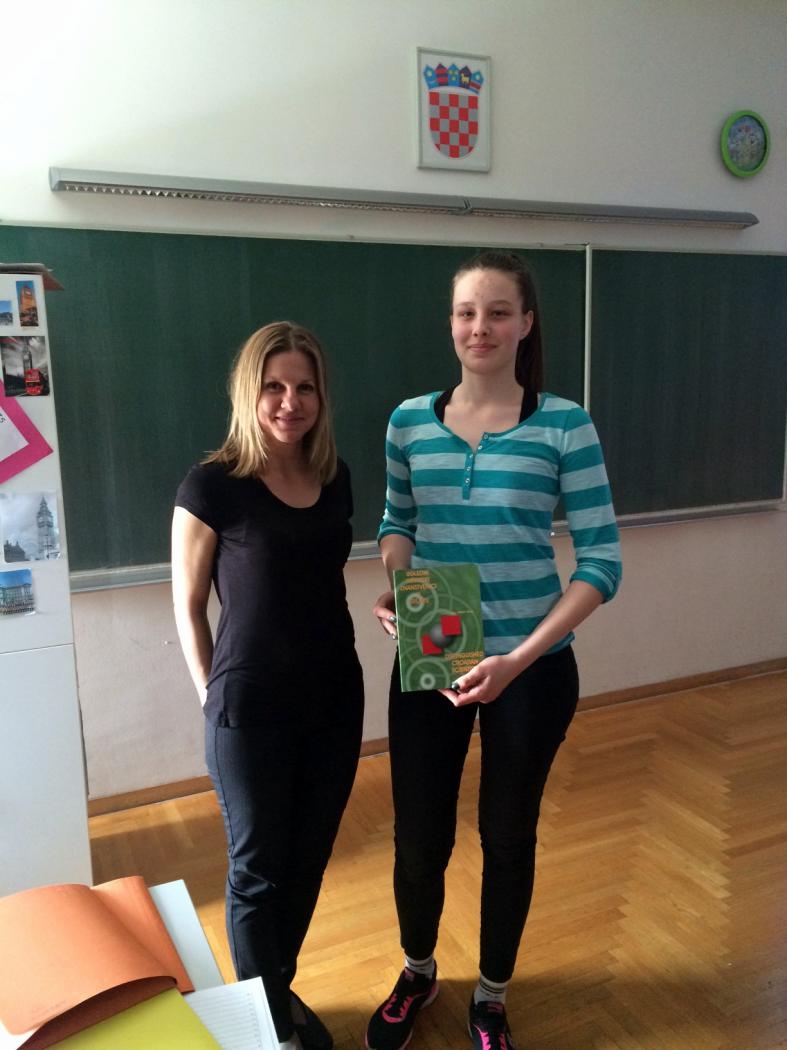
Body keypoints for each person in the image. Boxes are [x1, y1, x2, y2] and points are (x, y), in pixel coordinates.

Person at [365, 251, 622, 1050]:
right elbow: (396, 522)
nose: (479, 327)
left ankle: (491, 997)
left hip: (530, 667)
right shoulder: (409, 421)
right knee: (419, 837)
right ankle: (416, 972)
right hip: (436, 641)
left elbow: (600, 563)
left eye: (497, 312)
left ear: (525, 324)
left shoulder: (564, 424)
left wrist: (519, 659)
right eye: (466, 312)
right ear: (451, 323)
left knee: (507, 837)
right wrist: (403, 587)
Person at [171, 322, 364, 1050]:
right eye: (274, 386)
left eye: (304, 387)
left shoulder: (335, 476)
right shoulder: (211, 485)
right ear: (248, 393)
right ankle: (269, 1031)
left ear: (321, 396)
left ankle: (272, 995)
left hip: (335, 701)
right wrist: (210, 696)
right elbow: (188, 606)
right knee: (257, 874)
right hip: (248, 711)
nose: (290, 401)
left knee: (306, 862)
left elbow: (322, 582)